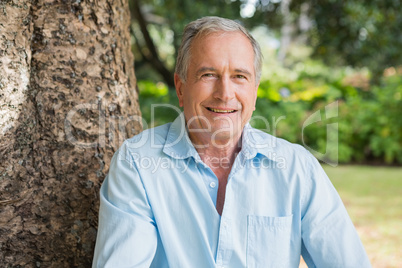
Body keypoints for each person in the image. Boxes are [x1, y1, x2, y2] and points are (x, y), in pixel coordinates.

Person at [92, 16, 371, 267]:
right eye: (208, 75)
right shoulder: (138, 163)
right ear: (180, 87)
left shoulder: (297, 169)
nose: (225, 93)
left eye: (239, 76)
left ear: (254, 90)